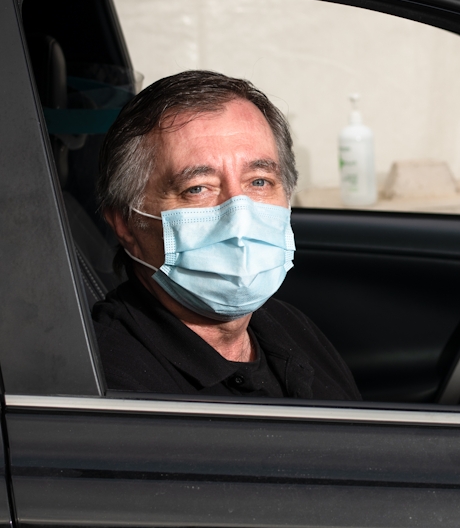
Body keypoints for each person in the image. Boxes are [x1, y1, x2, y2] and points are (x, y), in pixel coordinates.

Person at [91, 70, 359, 400]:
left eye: (259, 181)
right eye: (198, 188)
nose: (239, 215)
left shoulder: (287, 327)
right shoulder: (110, 383)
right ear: (126, 225)